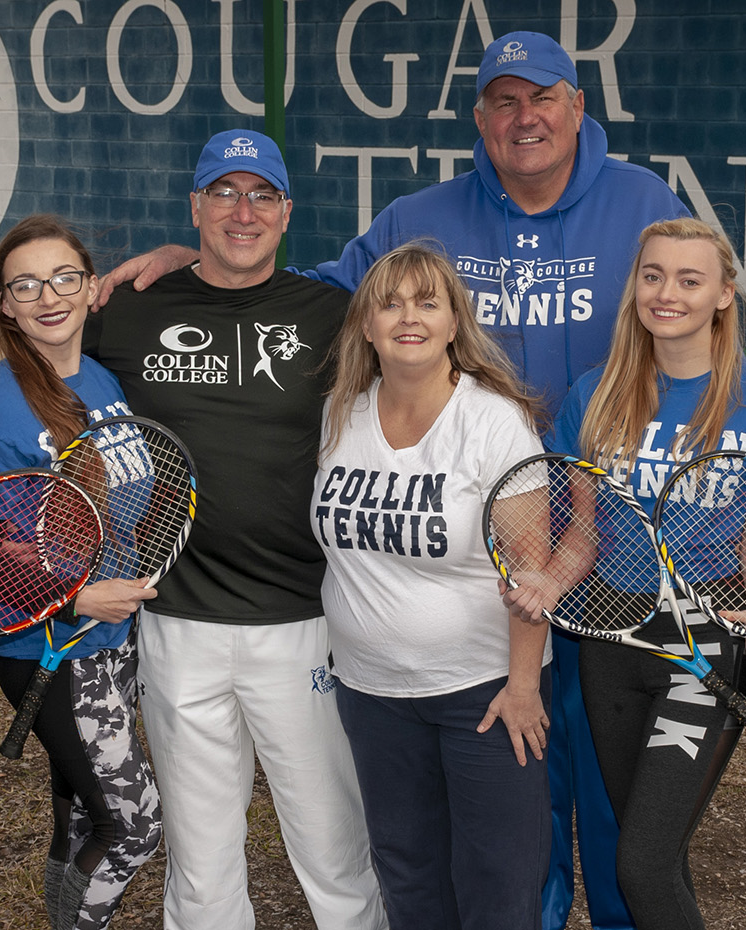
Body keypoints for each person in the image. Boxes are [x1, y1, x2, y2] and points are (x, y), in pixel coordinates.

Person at [98, 33, 690, 927]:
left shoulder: (644, 203)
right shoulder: (417, 229)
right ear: (480, 116)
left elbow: (684, 308)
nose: (523, 118)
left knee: (595, 798)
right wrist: (196, 265)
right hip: (396, 653)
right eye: (502, 101)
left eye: (543, 99)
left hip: (595, 539)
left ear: (577, 107)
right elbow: (312, 289)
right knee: (441, 849)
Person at [82, 131, 387, 930]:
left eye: (261, 195)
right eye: (223, 192)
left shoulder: (335, 314)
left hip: (305, 618)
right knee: (201, 853)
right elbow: (49, 393)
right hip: (176, 617)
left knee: (333, 843)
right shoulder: (129, 307)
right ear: (195, 205)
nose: (241, 211)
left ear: (288, 212)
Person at [524, 217, 746, 930]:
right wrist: (548, 583)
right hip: (612, 642)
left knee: (639, 863)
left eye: (687, 279)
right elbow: (583, 532)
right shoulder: (597, 393)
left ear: (723, 295)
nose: (665, 292)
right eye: (652, 276)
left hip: (706, 644)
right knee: (654, 854)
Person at [314, 242, 553, 928]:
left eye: (427, 302)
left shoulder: (493, 422)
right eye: (389, 303)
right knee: (408, 877)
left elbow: (530, 568)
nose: (408, 318)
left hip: (481, 695)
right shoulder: (342, 414)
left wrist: (524, 686)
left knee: (497, 888)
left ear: (455, 322)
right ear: (366, 325)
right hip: (371, 694)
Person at [0, 215, 161, 930]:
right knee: (132, 827)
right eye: (26, 284)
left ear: (90, 286)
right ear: (5, 303)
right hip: (50, 652)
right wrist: (79, 596)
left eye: (64, 277)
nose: (49, 296)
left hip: (110, 644)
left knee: (78, 818)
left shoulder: (97, 379)